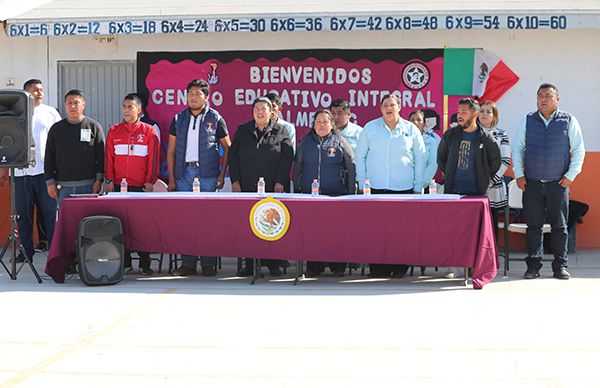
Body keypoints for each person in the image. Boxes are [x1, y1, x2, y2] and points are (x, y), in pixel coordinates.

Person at [512, 83, 585, 280]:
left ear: (557, 100)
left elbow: (578, 150)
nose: (543, 99)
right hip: (532, 183)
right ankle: (533, 266)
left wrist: (571, 175)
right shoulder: (527, 120)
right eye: (540, 96)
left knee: (559, 226)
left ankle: (560, 266)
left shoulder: (568, 120)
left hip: (558, 184)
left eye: (548, 96)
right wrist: (519, 174)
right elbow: (517, 148)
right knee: (533, 226)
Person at [355, 94, 426, 278]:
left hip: (404, 190)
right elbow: (360, 156)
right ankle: (378, 268)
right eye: (385, 105)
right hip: (375, 189)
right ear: (380, 108)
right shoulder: (370, 128)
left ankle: (399, 267)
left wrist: (418, 186)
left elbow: (420, 158)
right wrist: (363, 183)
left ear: (399, 107)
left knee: (401, 231)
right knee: (376, 230)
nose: (389, 108)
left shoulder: (411, 129)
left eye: (392, 105)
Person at [167, 79, 230, 277]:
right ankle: (188, 263)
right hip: (184, 175)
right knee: (186, 221)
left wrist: (221, 174)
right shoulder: (178, 119)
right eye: (190, 93)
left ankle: (209, 264)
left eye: (198, 93)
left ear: (206, 96)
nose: (193, 97)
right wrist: (171, 178)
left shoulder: (216, 118)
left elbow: (227, 147)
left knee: (207, 221)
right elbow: (171, 150)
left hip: (208, 176)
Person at [229, 97, 293, 277]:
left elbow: (287, 157)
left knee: (273, 224)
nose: (260, 112)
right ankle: (250, 264)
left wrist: (281, 181)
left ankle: (273, 264)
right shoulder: (243, 130)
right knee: (249, 224)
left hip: (274, 186)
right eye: (256, 108)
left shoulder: (281, 130)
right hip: (247, 185)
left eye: (263, 108)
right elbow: (233, 157)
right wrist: (235, 181)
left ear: (271, 111)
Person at [437, 98, 501, 278]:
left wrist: (483, 178)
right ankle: (454, 266)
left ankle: (474, 266)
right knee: (453, 230)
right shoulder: (451, 135)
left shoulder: (486, 137)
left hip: (476, 194)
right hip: (453, 192)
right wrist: (449, 173)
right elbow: (441, 158)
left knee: (475, 232)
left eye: (464, 112)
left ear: (474, 114)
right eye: (459, 112)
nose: (460, 116)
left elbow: (495, 161)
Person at [0, 79, 61, 263]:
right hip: (20, 174)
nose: (39, 93)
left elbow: (58, 143)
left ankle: (54, 253)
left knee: (50, 215)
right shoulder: (15, 113)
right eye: (35, 90)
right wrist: (4, 169)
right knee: (23, 216)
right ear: (26, 93)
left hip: (46, 174)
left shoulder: (51, 113)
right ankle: (26, 252)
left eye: (41, 90)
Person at [293, 109, 356, 277]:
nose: (321, 125)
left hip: (336, 196)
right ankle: (315, 267)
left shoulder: (340, 141)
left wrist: (351, 192)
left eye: (325, 122)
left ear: (332, 124)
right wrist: (297, 188)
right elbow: (297, 166)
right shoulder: (305, 143)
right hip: (310, 197)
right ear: (313, 124)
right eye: (318, 122)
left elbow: (351, 166)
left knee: (336, 233)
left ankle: (338, 267)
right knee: (313, 233)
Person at [104, 93, 160, 275]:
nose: (126, 110)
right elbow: (109, 158)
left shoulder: (149, 131)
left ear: (139, 110)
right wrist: (110, 180)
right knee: (121, 225)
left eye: (130, 107)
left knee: (141, 226)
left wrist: (150, 181)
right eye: (124, 107)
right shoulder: (114, 131)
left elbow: (153, 159)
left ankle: (145, 263)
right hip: (119, 187)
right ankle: (125, 262)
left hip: (140, 188)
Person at [44, 89, 104, 208]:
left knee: (87, 221)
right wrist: (50, 182)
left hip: (89, 186)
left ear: (83, 104)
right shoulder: (56, 129)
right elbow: (49, 157)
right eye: (69, 103)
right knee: (67, 222)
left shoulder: (93, 126)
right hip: (63, 187)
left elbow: (101, 155)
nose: (72, 106)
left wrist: (99, 180)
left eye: (76, 103)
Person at [478, 101, 511, 242]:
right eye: (482, 111)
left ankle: (491, 257)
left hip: (493, 187)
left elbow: (505, 161)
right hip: (474, 187)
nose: (484, 114)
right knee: (475, 224)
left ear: (494, 115)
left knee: (491, 222)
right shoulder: (471, 133)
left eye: (488, 111)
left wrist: (490, 181)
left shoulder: (501, 134)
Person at [409, 109, 440, 192]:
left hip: (422, 186)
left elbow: (433, 164)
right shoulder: (402, 140)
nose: (415, 122)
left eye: (419, 120)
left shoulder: (431, 141)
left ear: (424, 123)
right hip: (403, 185)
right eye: (412, 120)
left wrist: (421, 184)